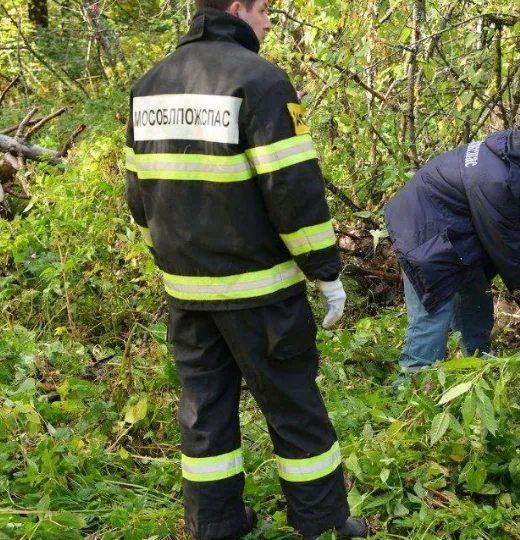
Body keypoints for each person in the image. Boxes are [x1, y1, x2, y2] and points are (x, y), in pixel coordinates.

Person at [124, 1, 368, 538]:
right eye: (264, 9)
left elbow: (139, 198)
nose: (269, 20)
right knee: (293, 406)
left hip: (186, 294)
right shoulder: (260, 81)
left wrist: (171, 263)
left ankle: (216, 525)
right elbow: (292, 189)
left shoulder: (149, 86)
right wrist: (325, 271)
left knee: (204, 413)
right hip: (262, 294)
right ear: (236, 8)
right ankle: (325, 524)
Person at [384, 125, 520, 382]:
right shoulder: (498, 181)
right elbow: (506, 247)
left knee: (476, 297)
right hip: (422, 229)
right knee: (434, 310)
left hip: (454, 227)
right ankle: (412, 386)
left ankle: (478, 366)